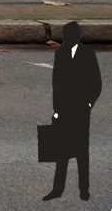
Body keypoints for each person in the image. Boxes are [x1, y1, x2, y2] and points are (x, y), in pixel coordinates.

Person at [48, 20, 100, 200]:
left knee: (81, 152)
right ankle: (57, 189)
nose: (64, 39)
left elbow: (96, 83)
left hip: (80, 111)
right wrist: (56, 109)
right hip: (63, 109)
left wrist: (88, 104)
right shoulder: (60, 54)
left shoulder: (88, 54)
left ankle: (83, 189)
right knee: (61, 152)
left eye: (67, 36)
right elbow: (57, 83)